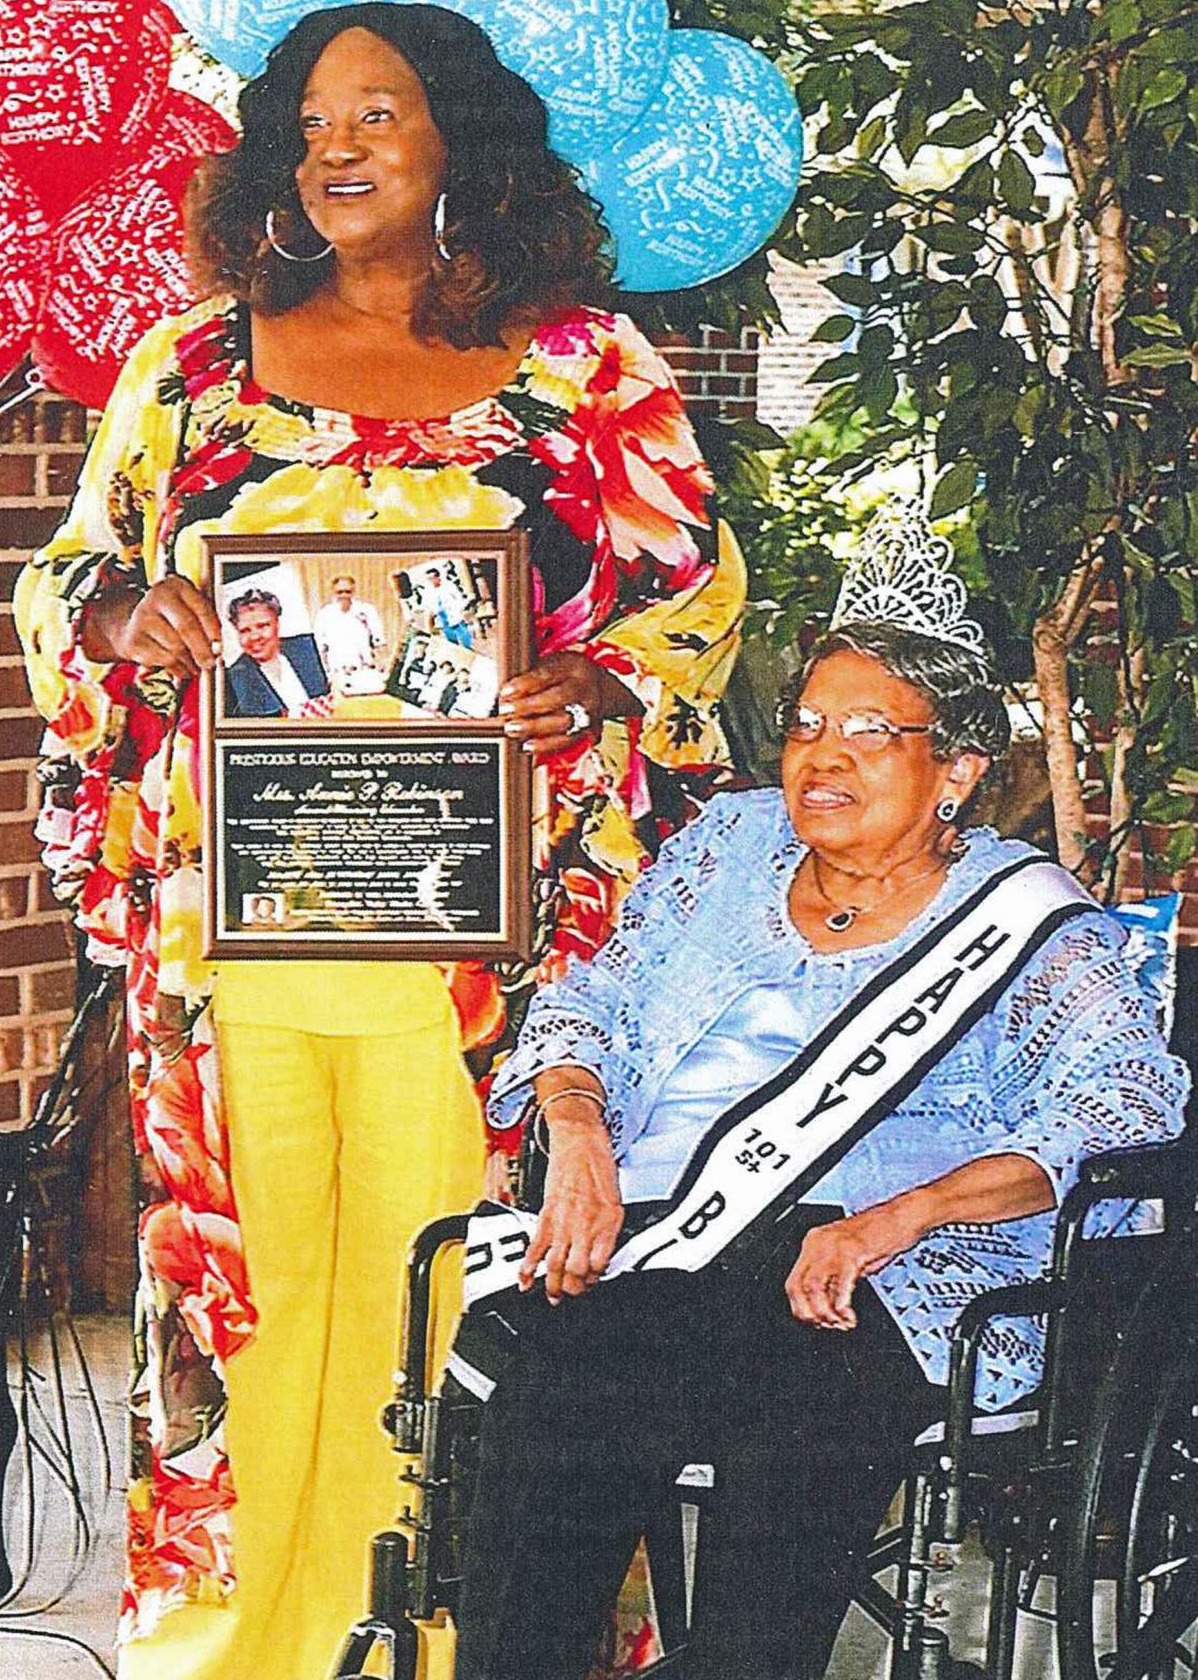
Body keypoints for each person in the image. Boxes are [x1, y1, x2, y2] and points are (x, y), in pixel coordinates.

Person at [12, 0, 744, 1680]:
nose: (335, 145)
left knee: (459, 1315)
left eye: (380, 113)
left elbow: (689, 601)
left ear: (459, 147)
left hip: (483, 959)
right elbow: (66, 577)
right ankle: (243, 1654)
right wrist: (128, 615)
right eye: (311, 119)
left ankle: (458, 1655)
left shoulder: (585, 374)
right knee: (250, 1310)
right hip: (237, 944)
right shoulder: (190, 373)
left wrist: (595, 681)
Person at [452, 506, 1189, 1680]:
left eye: (869, 732)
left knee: (792, 1425)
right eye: (806, 725)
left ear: (958, 770)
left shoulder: (1028, 917)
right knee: (561, 1395)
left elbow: (1118, 1110)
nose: (822, 756)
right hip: (672, 1237)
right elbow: (594, 999)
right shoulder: (727, 846)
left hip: (880, 1273)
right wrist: (579, 1130)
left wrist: (903, 1217)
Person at [224, 587, 329, 716]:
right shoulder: (233, 678)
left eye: (263, 626)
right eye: (245, 630)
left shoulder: (307, 648)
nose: (255, 636)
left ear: (277, 624)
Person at [314, 575, 385, 688]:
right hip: (337, 670)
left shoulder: (366, 610)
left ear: (353, 591)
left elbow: (379, 640)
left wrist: (381, 665)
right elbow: (320, 648)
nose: (344, 595)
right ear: (334, 592)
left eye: (347, 591)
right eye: (340, 592)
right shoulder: (325, 614)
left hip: (364, 668)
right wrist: (325, 674)